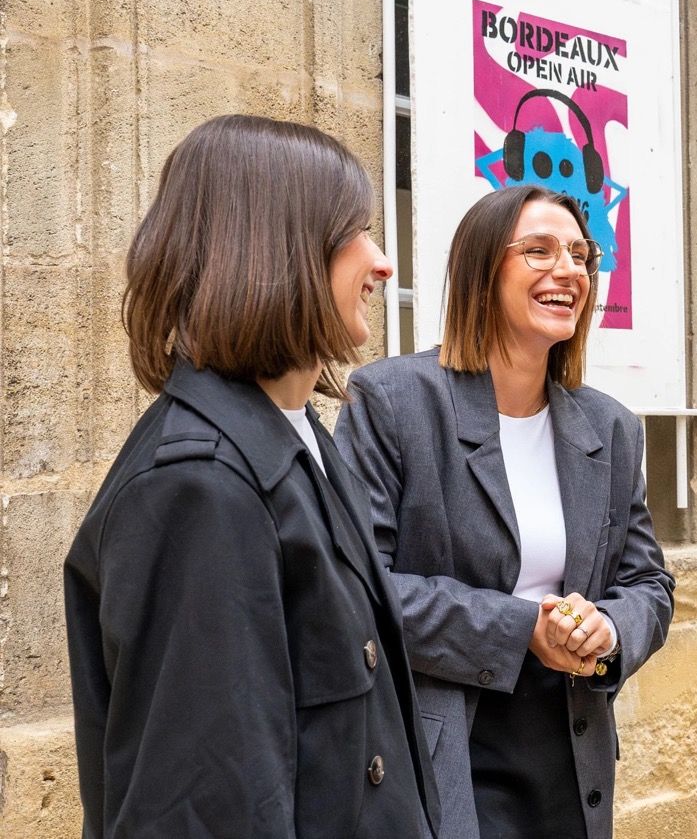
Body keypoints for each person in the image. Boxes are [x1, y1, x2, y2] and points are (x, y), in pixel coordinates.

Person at [64, 114, 442, 838]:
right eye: (354, 232)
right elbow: (206, 811)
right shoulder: (199, 488)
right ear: (279, 249)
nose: (382, 260)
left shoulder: (293, 436)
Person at [333, 184, 675, 839]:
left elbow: (650, 584)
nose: (568, 270)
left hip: (570, 762)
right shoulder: (394, 402)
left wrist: (606, 630)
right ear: (482, 271)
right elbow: (358, 589)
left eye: (581, 255)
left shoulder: (611, 425)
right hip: (444, 760)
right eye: (539, 251)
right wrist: (523, 630)